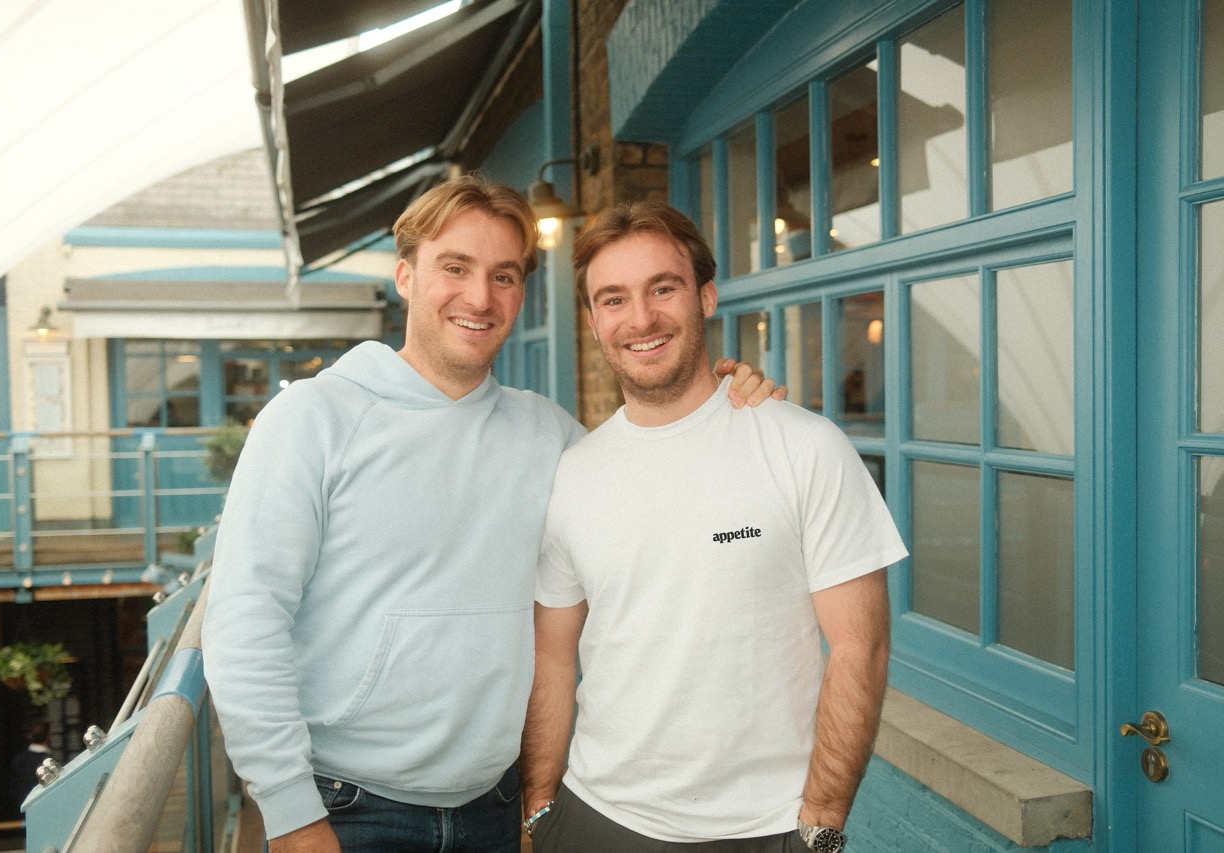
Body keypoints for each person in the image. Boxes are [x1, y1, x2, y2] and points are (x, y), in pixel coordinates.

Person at [201, 176, 780, 853]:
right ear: (405, 276)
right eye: (456, 268)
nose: (480, 297)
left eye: (504, 276)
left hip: (498, 809)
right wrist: (292, 814)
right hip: (346, 808)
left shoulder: (548, 436)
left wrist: (729, 410)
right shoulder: (313, 418)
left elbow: (659, 494)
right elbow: (244, 621)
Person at [520, 201, 908, 853]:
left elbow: (860, 647)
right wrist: (539, 810)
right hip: (596, 818)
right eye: (613, 299)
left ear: (705, 296)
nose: (640, 318)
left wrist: (818, 823)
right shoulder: (574, 473)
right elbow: (552, 655)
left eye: (662, 288)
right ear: (592, 321)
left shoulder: (804, 446)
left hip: (765, 828)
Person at [7, 718, 51, 815]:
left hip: (22, 812)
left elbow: (13, 791)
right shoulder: (49, 762)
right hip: (45, 811)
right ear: (48, 736)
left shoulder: (18, 760)